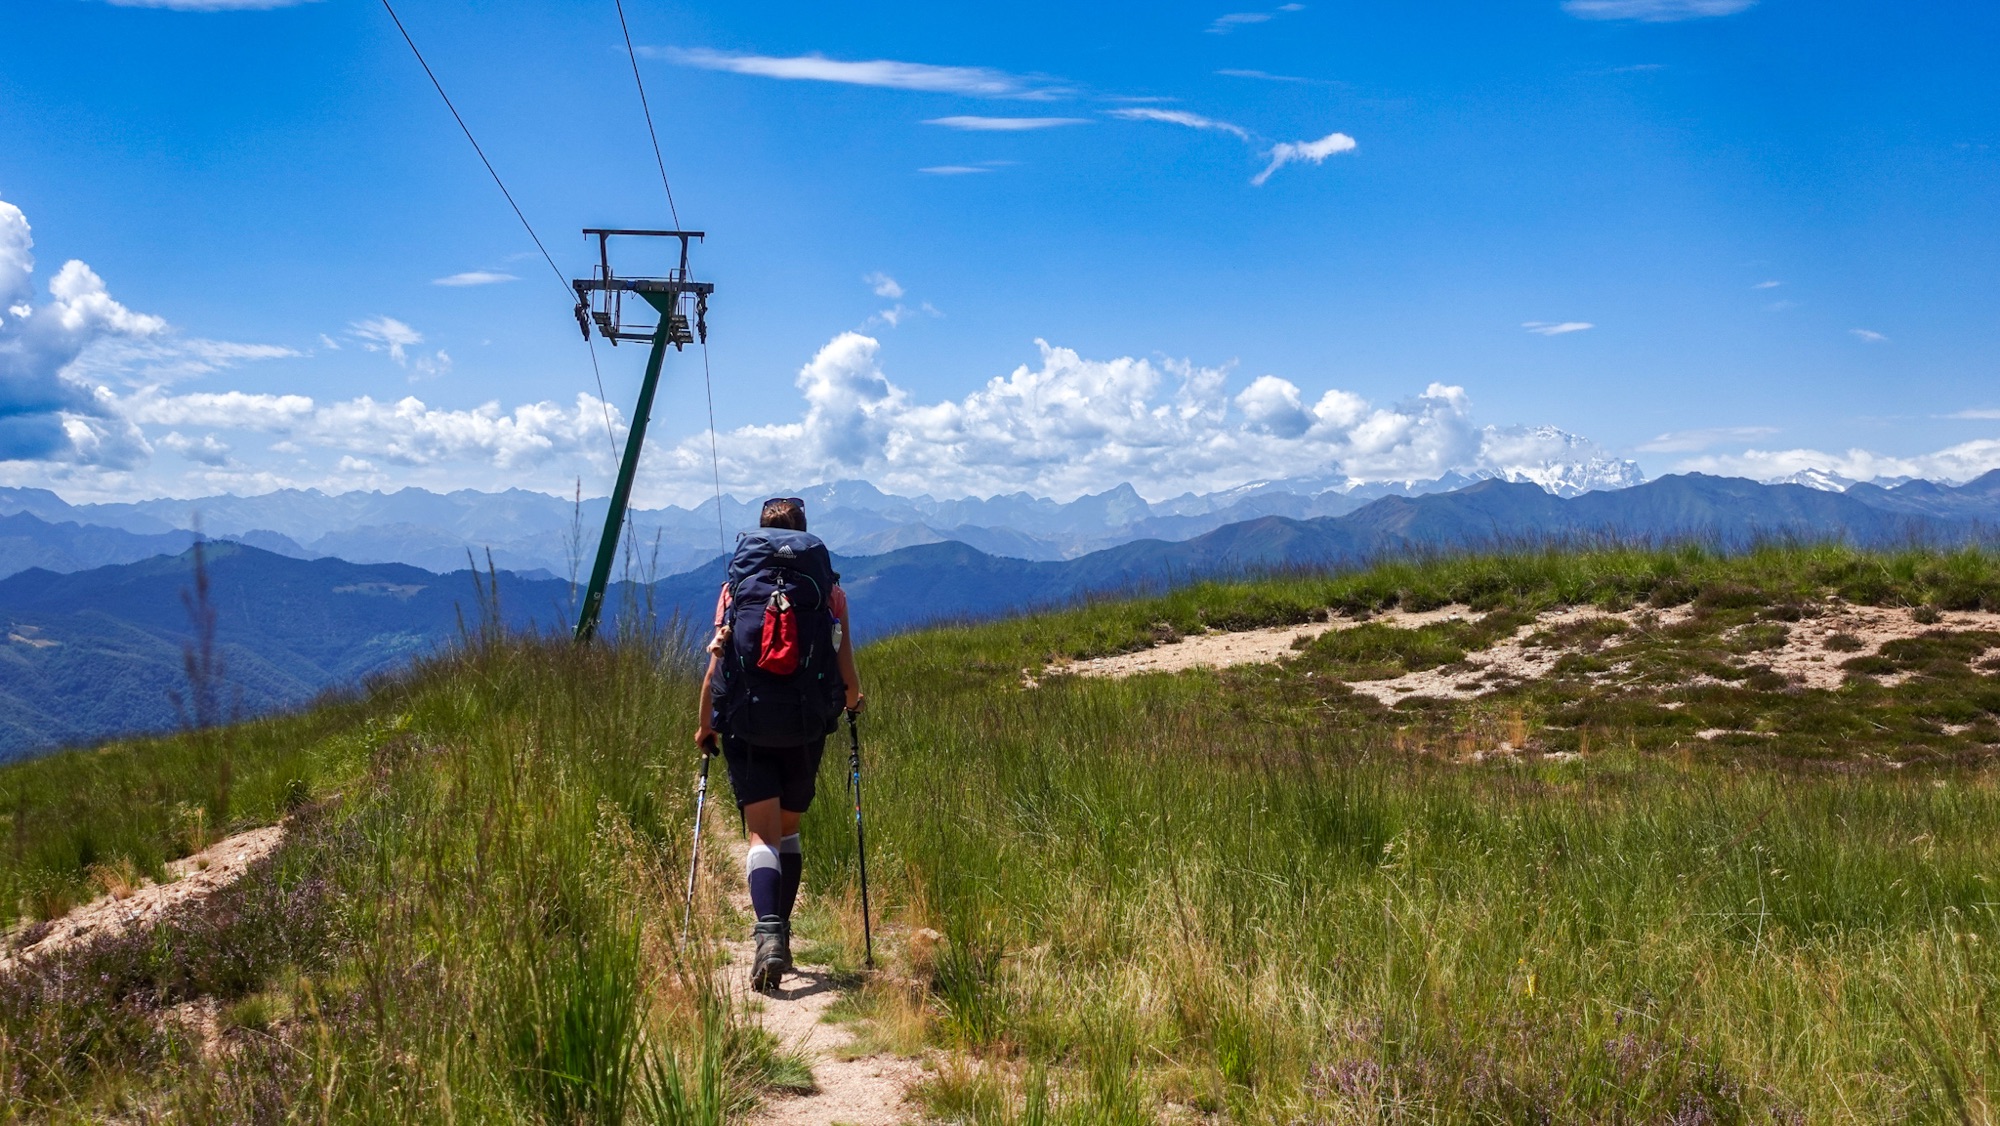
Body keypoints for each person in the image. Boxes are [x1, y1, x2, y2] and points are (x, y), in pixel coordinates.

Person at [695, 497, 865, 990]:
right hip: (805, 723)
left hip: (747, 722)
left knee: (760, 835)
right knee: (787, 832)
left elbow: (717, 663)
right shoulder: (829, 593)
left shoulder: (734, 589)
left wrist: (706, 725)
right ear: (805, 535)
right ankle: (781, 933)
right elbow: (844, 665)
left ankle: (768, 935)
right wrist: (852, 701)